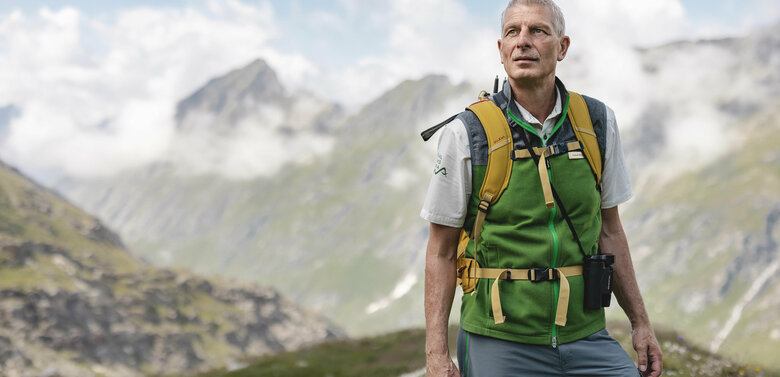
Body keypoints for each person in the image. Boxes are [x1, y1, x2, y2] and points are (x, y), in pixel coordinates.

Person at [420, 0, 663, 376]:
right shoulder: (466, 134)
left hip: (585, 336)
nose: (523, 42)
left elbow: (610, 230)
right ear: (500, 49)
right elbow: (441, 251)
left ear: (562, 47)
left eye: (538, 31)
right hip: (499, 338)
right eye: (512, 32)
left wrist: (641, 323)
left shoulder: (596, 122)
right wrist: (436, 354)